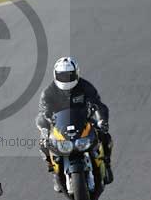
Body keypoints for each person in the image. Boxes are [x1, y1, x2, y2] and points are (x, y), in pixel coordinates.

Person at [36, 57, 113, 192]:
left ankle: (106, 163)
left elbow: (99, 105)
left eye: (69, 75)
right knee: (43, 143)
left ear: (77, 73)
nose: (66, 79)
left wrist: (102, 120)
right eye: (62, 76)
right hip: (60, 127)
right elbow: (43, 113)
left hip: (84, 122)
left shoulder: (85, 86)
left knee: (104, 135)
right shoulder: (48, 92)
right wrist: (44, 127)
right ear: (55, 75)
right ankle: (53, 171)